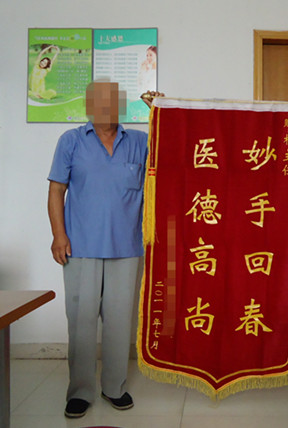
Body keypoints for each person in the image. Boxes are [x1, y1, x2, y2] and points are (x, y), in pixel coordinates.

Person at [47, 81, 162, 418]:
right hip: (80, 246)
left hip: (126, 247)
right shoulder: (71, 141)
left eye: (112, 101)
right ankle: (80, 392)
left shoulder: (140, 141)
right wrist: (58, 235)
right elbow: (56, 191)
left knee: (118, 321)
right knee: (81, 321)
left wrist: (161, 113)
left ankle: (114, 387)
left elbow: (171, 158)